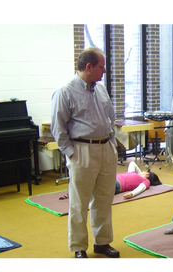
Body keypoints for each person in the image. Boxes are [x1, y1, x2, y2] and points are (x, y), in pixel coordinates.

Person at [51, 47, 120, 261]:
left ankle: (102, 242)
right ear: (88, 66)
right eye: (102, 66)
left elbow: (110, 116)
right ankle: (79, 247)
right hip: (82, 151)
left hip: (106, 149)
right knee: (79, 203)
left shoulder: (100, 89)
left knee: (104, 199)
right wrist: (71, 153)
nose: (105, 71)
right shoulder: (65, 91)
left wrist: (112, 144)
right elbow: (58, 127)